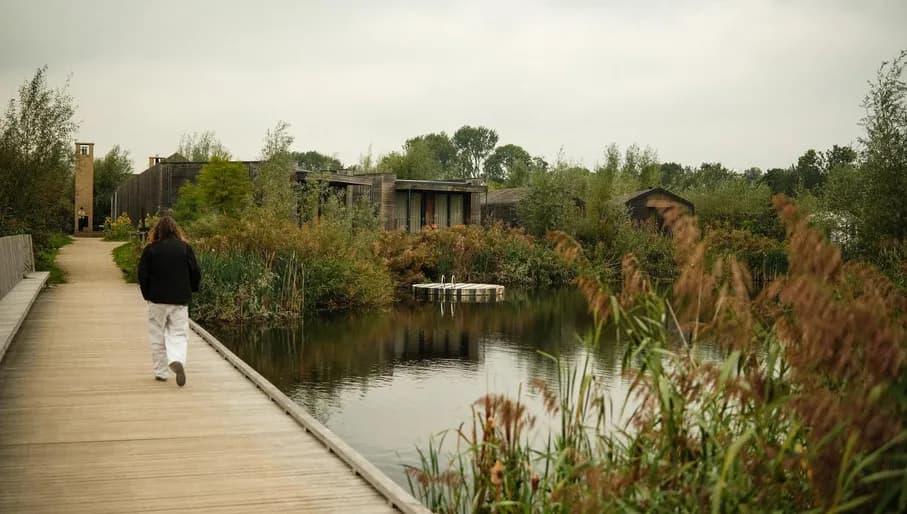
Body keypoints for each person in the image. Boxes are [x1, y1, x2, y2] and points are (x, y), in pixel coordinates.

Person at [138, 216, 201, 386]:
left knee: (157, 336)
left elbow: (142, 275)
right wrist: (192, 289)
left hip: (157, 299)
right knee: (178, 334)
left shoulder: (150, 250)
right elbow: (195, 271)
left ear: (157, 231)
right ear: (176, 230)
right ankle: (177, 359)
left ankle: (161, 372)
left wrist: (147, 294)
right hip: (179, 299)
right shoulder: (185, 248)